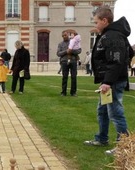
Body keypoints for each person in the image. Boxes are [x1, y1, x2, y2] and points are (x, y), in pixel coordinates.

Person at [83, 6, 134, 155]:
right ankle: (102, 138)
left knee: (115, 112)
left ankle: (123, 147)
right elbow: (130, 52)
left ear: (104, 21)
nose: (95, 25)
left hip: (113, 82)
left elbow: (116, 61)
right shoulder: (108, 34)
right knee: (103, 111)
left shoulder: (113, 36)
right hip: (108, 80)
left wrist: (108, 82)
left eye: (96, 22)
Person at [57, 31, 82, 96]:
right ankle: (63, 92)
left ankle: (73, 92)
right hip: (64, 62)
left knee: (74, 77)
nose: (65, 36)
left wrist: (72, 51)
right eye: (63, 36)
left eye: (66, 35)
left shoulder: (74, 42)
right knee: (64, 77)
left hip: (73, 61)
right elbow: (58, 53)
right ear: (62, 36)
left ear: (68, 35)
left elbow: (79, 50)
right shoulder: (60, 44)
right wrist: (66, 51)